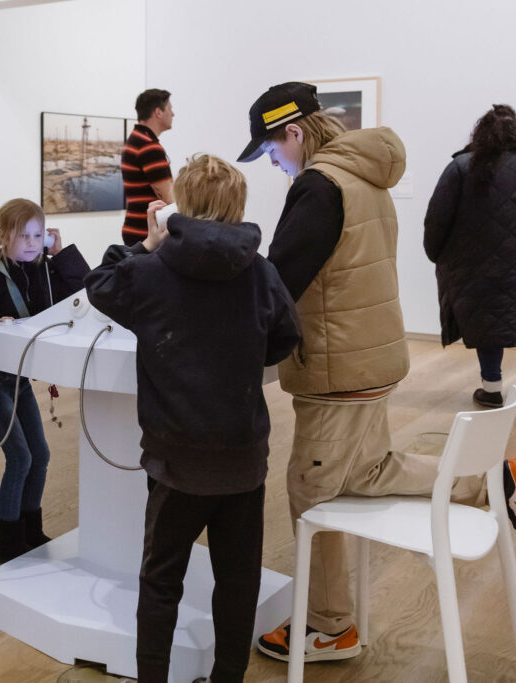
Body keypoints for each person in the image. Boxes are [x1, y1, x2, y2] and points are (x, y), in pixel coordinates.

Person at [235, 82, 516, 664]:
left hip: (336, 368)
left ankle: (328, 627)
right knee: (368, 470)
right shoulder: (366, 178)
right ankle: (500, 484)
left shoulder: (318, 185)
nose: (275, 163)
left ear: (294, 134)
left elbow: (281, 280)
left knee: (311, 488)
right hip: (368, 355)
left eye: (273, 150)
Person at [85, 155, 301, 683]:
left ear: (181, 201)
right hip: (241, 455)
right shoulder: (261, 270)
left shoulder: (148, 271)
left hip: (174, 458)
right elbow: (284, 338)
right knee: (238, 579)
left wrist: (149, 242)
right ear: (237, 204)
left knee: (161, 580)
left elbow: (99, 283)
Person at [0, 198, 89, 562]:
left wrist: (63, 251)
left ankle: (30, 530)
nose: (31, 242)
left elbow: (84, 288)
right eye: (22, 235)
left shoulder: (44, 270)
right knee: (21, 458)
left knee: (40, 454)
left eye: (38, 235)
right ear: (2, 236)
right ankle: (7, 541)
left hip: (19, 380)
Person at [424, 104, 516, 407]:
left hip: (475, 261)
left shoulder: (460, 166)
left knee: (487, 320)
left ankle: (492, 388)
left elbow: (437, 218)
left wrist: (435, 252)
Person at [121, 88, 175, 246]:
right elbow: (168, 197)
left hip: (136, 230)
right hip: (148, 235)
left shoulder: (135, 139)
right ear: (158, 112)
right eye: (170, 109)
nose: (173, 114)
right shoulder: (149, 146)